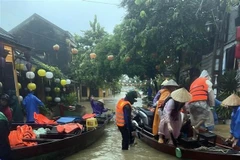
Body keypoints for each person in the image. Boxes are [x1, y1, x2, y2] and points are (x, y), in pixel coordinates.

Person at [188, 70, 215, 139]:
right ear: (206, 76)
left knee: (195, 121)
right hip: (201, 102)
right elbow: (211, 95)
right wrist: (212, 105)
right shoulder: (206, 81)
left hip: (191, 104)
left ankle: (194, 137)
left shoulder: (193, 83)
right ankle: (209, 135)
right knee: (208, 116)